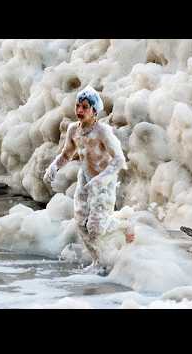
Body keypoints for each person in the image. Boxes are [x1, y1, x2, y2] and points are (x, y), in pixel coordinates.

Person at [43, 86, 128, 274]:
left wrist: (101, 180)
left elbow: (119, 160)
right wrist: (54, 167)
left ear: (94, 110)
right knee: (81, 224)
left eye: (85, 107)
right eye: (77, 106)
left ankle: (123, 225)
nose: (79, 111)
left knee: (96, 227)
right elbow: (67, 154)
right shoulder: (74, 129)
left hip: (104, 183)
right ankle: (98, 262)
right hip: (85, 181)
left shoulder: (103, 132)